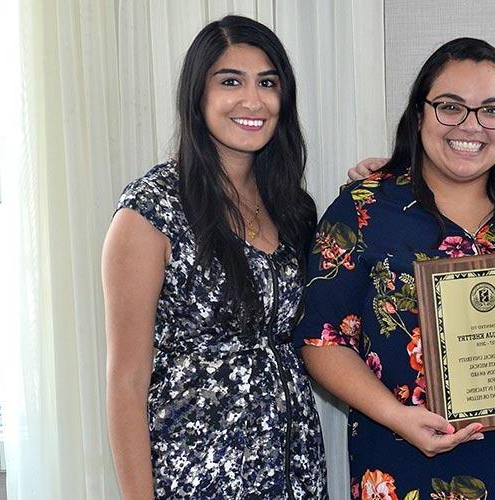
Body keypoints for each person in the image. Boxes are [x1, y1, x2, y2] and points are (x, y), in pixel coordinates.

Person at [294, 38, 495, 499]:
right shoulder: (363, 209)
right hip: (405, 459)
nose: (471, 126)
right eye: (450, 107)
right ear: (419, 114)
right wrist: (397, 417)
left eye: (492, 110)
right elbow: (321, 340)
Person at [102, 15, 326, 499]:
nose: (253, 100)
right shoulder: (150, 210)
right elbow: (126, 381)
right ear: (197, 95)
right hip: (197, 475)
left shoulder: (293, 208)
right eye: (231, 82)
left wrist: (378, 182)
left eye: (267, 83)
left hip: (293, 469)